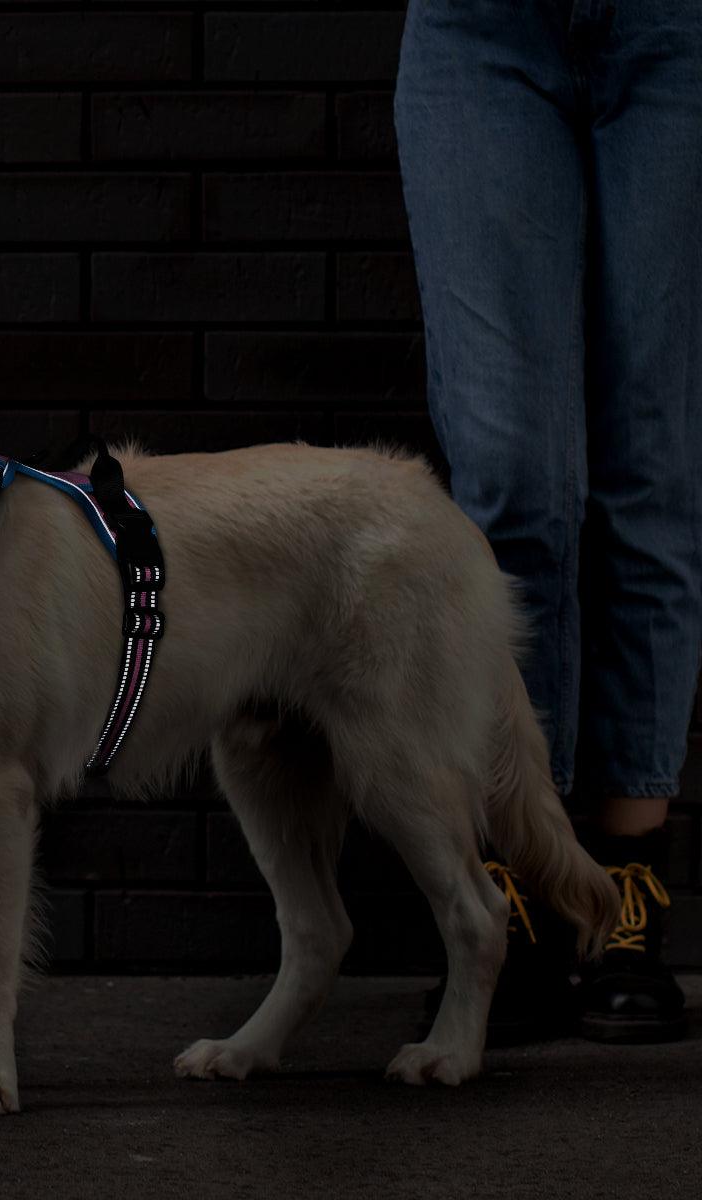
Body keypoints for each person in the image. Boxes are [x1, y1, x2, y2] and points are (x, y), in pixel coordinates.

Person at [394, 0, 700, 1042]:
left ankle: (625, 897)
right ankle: (517, 890)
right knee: (514, 486)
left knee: (651, 475)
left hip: (675, 35)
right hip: (479, 34)